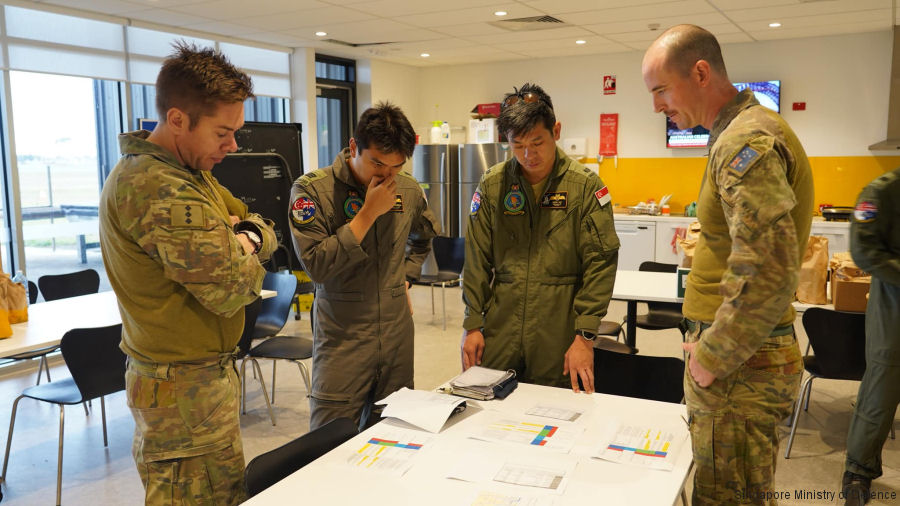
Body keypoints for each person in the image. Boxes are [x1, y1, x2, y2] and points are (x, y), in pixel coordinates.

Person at [642, 25, 814, 504]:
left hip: (740, 367)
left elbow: (767, 265)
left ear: (700, 73)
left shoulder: (745, 141)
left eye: (661, 90)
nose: (656, 106)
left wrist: (714, 354)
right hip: (743, 359)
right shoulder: (740, 132)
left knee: (726, 498)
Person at [99, 42, 276, 504]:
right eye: (223, 132)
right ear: (178, 119)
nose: (232, 145)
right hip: (182, 391)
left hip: (198, 385)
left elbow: (259, 223)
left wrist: (245, 238)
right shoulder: (157, 186)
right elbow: (232, 288)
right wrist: (244, 243)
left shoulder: (190, 173)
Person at [461, 83, 619, 393]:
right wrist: (472, 324)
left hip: (558, 330)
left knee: (555, 409)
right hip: (501, 327)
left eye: (537, 142)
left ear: (556, 131)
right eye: (517, 145)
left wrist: (585, 336)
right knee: (490, 404)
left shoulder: (584, 187)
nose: (528, 155)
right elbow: (476, 258)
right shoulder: (494, 185)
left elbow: (600, 264)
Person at [289, 102, 438, 430]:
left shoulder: (408, 189)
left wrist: (405, 277)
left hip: (397, 334)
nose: (386, 175)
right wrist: (368, 213)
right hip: (343, 336)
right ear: (354, 147)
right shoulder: (313, 191)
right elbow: (316, 265)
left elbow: (423, 237)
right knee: (329, 439)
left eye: (396, 166)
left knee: (396, 431)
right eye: (377, 164)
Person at [841, 167, 900, 506]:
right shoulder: (881, 193)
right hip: (894, 310)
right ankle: (857, 471)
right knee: (880, 393)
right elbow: (864, 251)